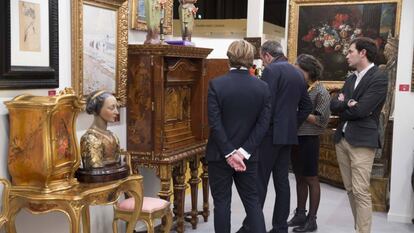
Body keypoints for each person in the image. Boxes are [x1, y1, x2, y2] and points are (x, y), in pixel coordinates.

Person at [238, 40, 313, 233]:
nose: (263, 64)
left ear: (267, 56)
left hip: (269, 135)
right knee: (282, 183)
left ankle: (250, 227)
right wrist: (291, 124)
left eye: (262, 59)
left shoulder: (271, 71)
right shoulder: (297, 72)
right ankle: (280, 227)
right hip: (287, 135)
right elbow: (306, 106)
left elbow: (265, 103)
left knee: (259, 182)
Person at [206, 40, 271, 233]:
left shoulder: (216, 85)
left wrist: (229, 152)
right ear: (251, 60)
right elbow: (263, 125)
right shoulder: (262, 87)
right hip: (249, 157)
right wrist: (242, 153)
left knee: (222, 204)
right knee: (252, 202)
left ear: (229, 59)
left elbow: (215, 123)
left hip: (219, 155)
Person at [330, 37, 388, 233]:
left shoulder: (379, 77)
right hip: (342, 139)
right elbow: (334, 104)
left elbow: (362, 111)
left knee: (361, 191)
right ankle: (359, 228)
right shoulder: (351, 78)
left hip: (362, 141)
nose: (347, 55)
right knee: (350, 190)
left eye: (350, 51)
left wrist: (345, 105)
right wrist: (347, 104)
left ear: (362, 53)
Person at [288, 54, 331, 232]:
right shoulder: (300, 88)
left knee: (311, 178)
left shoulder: (321, 91)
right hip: (295, 138)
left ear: (308, 71)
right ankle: (300, 214)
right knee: (299, 177)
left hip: (309, 139)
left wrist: (300, 111)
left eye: (298, 70)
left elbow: (322, 121)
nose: (295, 73)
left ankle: (311, 220)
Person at [80, 90, 121, 169]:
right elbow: (95, 170)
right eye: (111, 108)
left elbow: (117, 164)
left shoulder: (113, 137)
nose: (117, 112)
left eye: (116, 107)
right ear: (97, 110)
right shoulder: (90, 139)